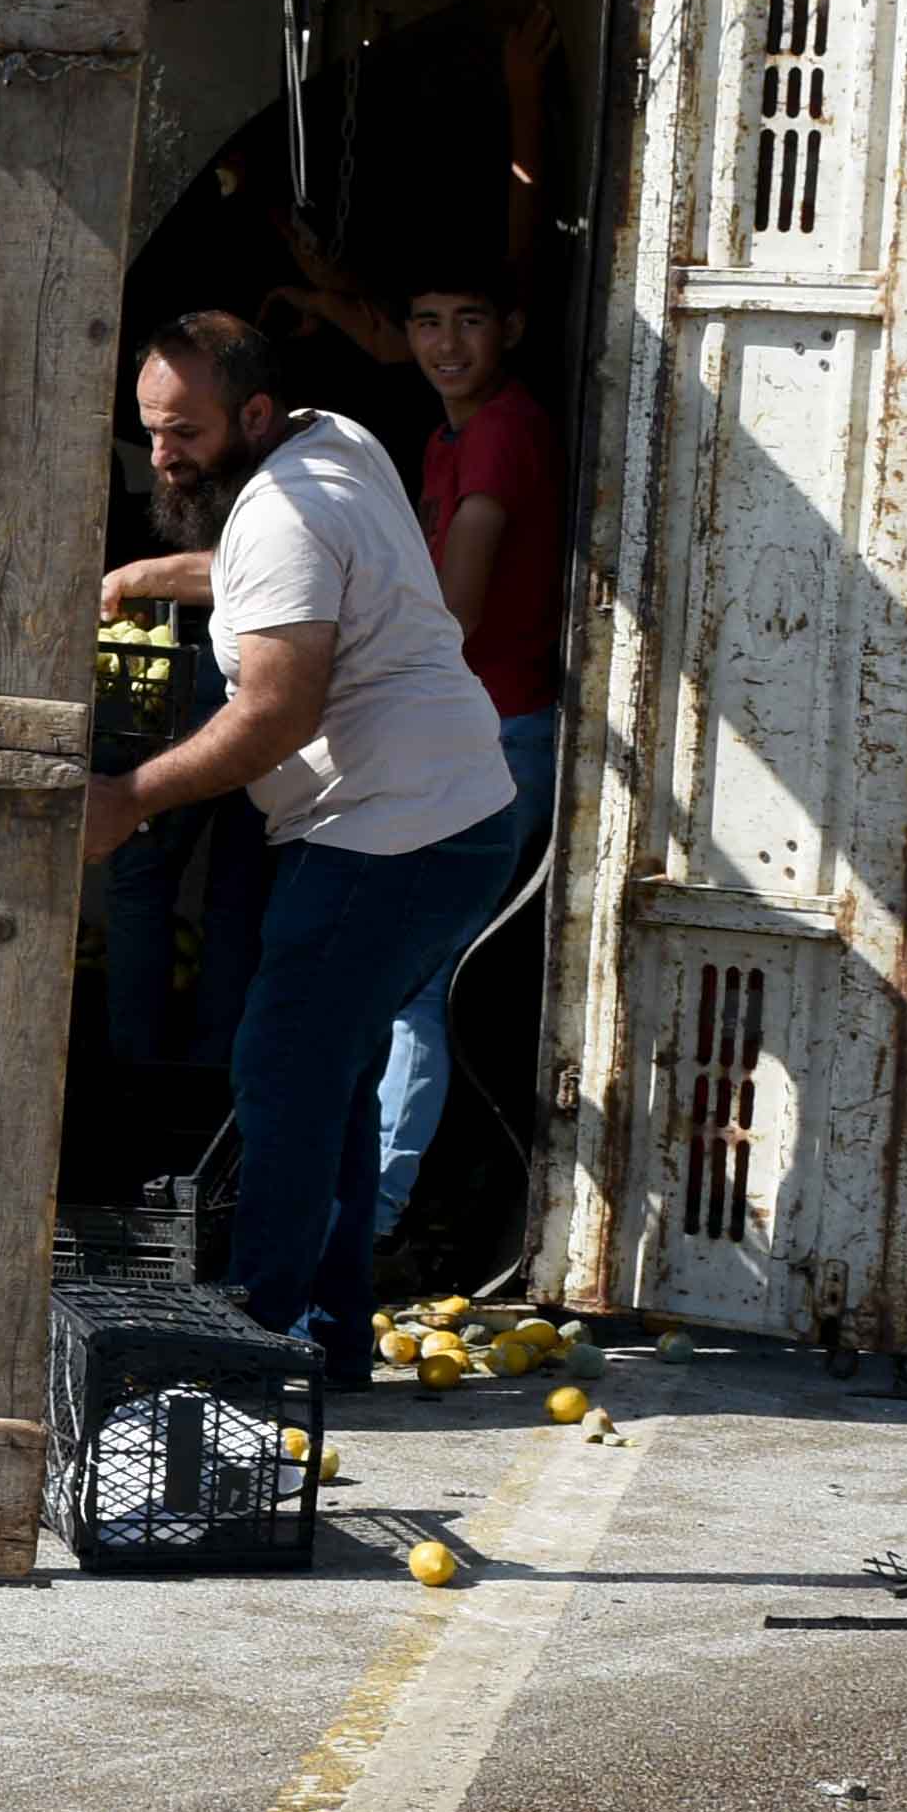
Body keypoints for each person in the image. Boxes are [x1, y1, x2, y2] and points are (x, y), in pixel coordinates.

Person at [81, 313, 526, 1381]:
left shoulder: (283, 509)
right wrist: (151, 576)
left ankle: (257, 1330)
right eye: (150, 429)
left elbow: (275, 712)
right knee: (332, 1067)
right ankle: (326, 1330)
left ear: (255, 415)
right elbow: (264, 578)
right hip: (443, 814)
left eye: (183, 430)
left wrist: (128, 797)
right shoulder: (333, 439)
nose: (163, 454)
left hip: (391, 831)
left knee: (281, 1066)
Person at [368, 269, 566, 1238]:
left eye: (471, 319)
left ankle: (371, 1213)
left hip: (497, 738)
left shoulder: (499, 432)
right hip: (466, 734)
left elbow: (454, 608)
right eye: (426, 320)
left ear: (513, 325)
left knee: (412, 984)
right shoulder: (449, 432)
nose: (445, 344)